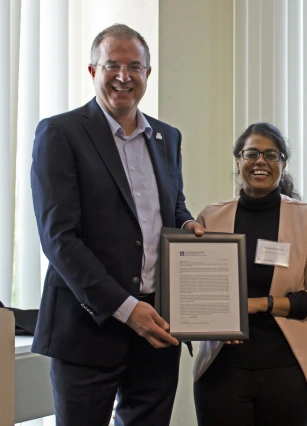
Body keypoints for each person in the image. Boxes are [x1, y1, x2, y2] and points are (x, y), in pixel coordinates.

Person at [30, 24, 204, 426]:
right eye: (112, 65)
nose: (124, 76)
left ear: (148, 74)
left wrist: (189, 225)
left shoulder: (167, 137)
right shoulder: (60, 133)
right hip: (87, 327)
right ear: (93, 71)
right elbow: (60, 239)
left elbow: (172, 208)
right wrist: (127, 310)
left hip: (158, 328)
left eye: (134, 66)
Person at [192, 122, 307, 426]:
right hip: (222, 372)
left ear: (283, 164)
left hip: (290, 372)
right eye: (252, 154)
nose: (261, 161)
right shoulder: (211, 216)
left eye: (271, 155)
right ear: (238, 161)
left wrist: (261, 304)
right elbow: (194, 292)